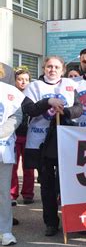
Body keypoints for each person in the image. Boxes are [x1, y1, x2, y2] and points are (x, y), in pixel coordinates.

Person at [22, 56, 83, 236]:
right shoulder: (34, 87)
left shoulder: (70, 85)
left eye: (56, 67)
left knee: (67, 184)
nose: (52, 70)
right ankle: (50, 222)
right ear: (43, 68)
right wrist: (47, 102)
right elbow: (29, 109)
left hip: (64, 141)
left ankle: (71, 219)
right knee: (47, 184)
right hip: (41, 142)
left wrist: (66, 111)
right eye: (49, 66)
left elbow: (79, 109)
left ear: (62, 69)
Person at [0, 81, 24, 246]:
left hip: (3, 149)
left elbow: (17, 116)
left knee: (3, 193)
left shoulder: (10, 91)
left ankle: (5, 231)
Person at [10, 69, 35, 206]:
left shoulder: (32, 95)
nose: (23, 82)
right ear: (15, 80)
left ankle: (28, 194)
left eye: (26, 79)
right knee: (13, 167)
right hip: (14, 136)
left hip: (30, 135)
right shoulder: (11, 95)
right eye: (20, 79)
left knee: (29, 167)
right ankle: (12, 194)